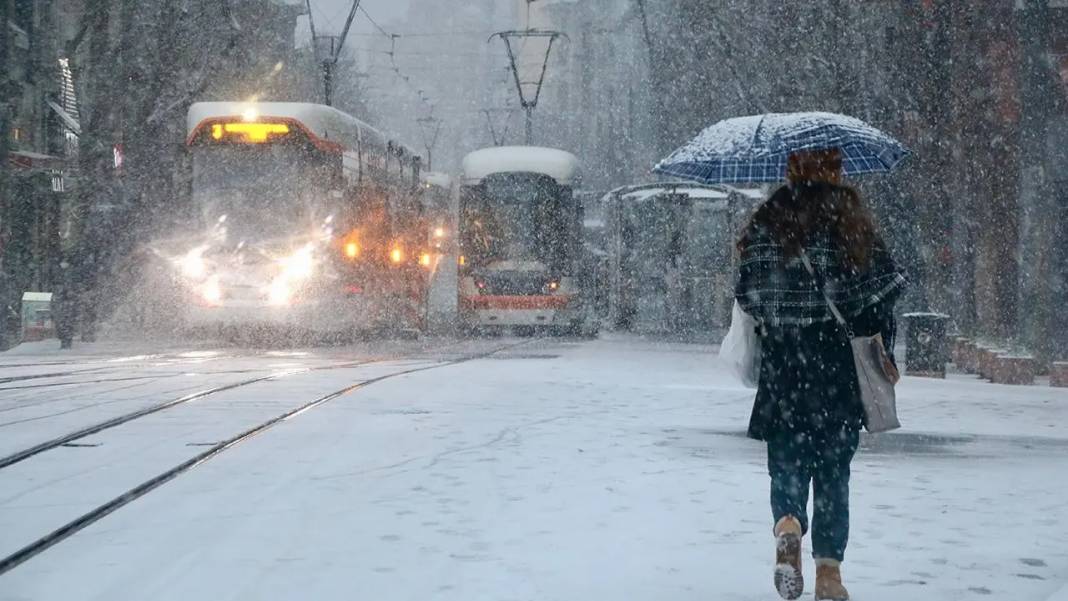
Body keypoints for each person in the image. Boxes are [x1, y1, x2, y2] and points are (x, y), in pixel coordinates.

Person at [734, 149, 907, 601]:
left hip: (785, 364)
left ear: (792, 170)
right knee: (834, 470)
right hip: (836, 366)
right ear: (836, 170)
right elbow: (886, 291)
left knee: (787, 459)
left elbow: (747, 295)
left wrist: (783, 308)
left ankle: (788, 523)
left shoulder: (769, 221)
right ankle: (829, 573)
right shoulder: (851, 221)